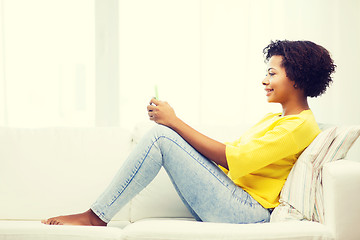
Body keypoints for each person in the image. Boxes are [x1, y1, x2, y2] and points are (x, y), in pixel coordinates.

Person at [41, 40, 336, 226]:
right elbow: (231, 155)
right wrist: (176, 130)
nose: (264, 80)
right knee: (166, 137)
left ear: (297, 78)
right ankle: (95, 216)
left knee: (161, 136)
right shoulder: (276, 118)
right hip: (234, 199)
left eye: (272, 73)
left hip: (248, 211)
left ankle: (95, 217)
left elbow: (233, 159)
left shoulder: (299, 126)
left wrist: (174, 122)